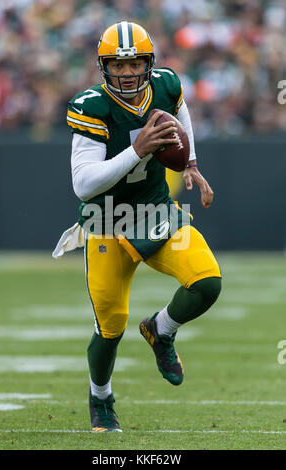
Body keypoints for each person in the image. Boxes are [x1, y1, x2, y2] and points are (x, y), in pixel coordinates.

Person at [56, 21, 222, 433]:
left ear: (150, 63)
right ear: (103, 66)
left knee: (206, 282)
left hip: (154, 209)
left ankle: (160, 330)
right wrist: (136, 150)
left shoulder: (165, 84)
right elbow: (83, 185)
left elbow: (180, 114)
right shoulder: (91, 106)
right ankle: (100, 398)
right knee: (109, 329)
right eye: (117, 64)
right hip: (106, 221)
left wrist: (191, 163)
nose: (127, 73)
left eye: (135, 64)